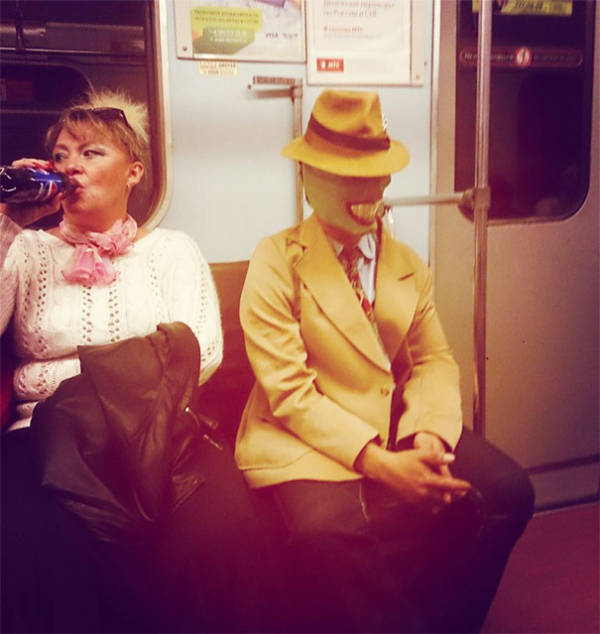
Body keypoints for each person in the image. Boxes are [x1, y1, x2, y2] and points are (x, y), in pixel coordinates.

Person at [235, 89, 535, 633]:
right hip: (302, 433)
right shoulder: (275, 261)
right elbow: (290, 394)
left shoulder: (407, 264)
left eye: (378, 173)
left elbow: (433, 360)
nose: (371, 190)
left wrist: (428, 437)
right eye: (348, 175)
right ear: (307, 178)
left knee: (507, 492)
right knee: (329, 530)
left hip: (394, 418)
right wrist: (380, 464)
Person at [0, 90, 268, 633]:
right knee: (31, 548)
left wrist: (106, 394)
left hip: (156, 432)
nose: (70, 166)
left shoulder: (171, 250)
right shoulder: (27, 250)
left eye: (90, 152)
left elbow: (201, 350)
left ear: (134, 172)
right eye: (60, 155)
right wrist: (6, 225)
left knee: (224, 533)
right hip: (42, 434)